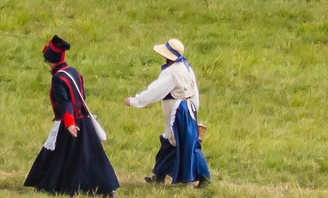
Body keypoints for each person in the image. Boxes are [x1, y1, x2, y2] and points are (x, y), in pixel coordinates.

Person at [25, 35, 117, 194]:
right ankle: (106, 188)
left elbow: (64, 102)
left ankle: (49, 186)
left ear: (51, 60)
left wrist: (69, 122)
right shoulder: (74, 72)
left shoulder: (58, 78)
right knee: (92, 156)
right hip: (84, 120)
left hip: (71, 122)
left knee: (57, 156)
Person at [125, 38, 206, 188]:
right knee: (170, 142)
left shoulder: (171, 72)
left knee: (187, 144)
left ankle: (204, 178)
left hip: (179, 113)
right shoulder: (186, 68)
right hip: (186, 111)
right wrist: (194, 110)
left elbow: (155, 90)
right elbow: (194, 92)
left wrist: (135, 100)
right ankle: (159, 175)